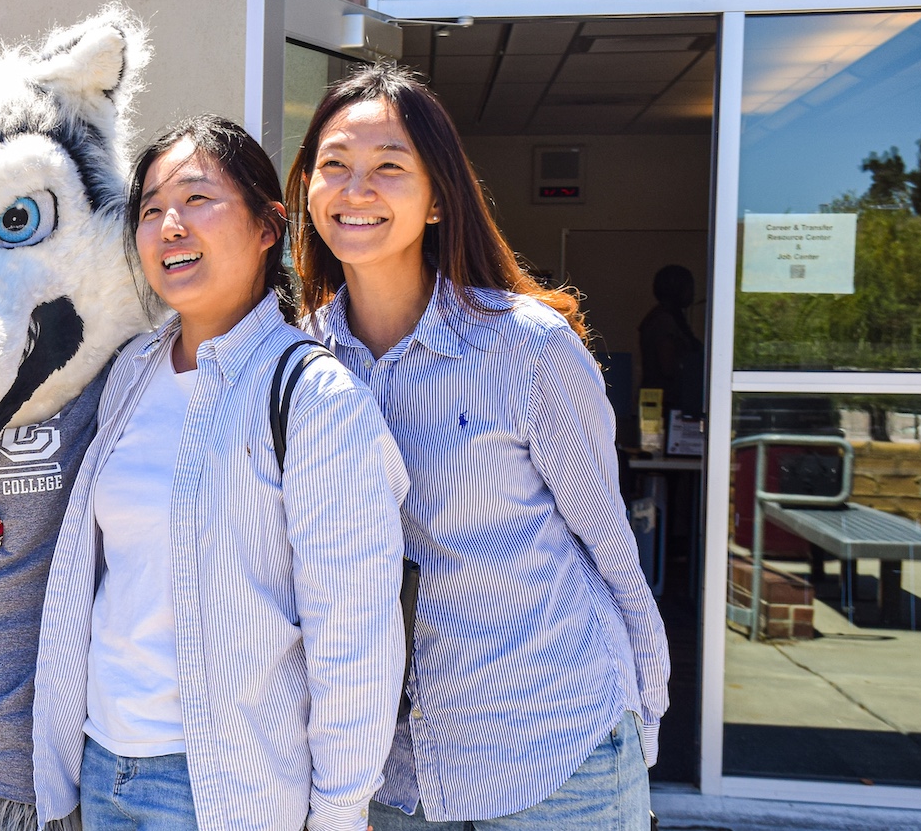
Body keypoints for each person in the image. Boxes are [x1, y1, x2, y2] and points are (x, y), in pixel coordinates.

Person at [287, 62, 670, 831]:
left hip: (554, 746)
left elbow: (607, 543)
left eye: (389, 167)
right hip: (391, 773)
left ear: (436, 200)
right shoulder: (296, 363)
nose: (355, 189)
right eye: (334, 166)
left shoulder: (527, 349)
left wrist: (642, 705)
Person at [31, 115, 409, 831]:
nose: (170, 225)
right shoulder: (131, 373)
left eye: (198, 199)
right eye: (149, 210)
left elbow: (354, 632)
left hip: (222, 787)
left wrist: (339, 808)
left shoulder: (314, 397)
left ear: (269, 228)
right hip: (105, 762)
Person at [638, 264, 703, 416]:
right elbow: (667, 366)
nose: (693, 294)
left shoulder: (671, 317)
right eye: (689, 287)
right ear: (676, 288)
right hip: (663, 405)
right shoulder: (663, 321)